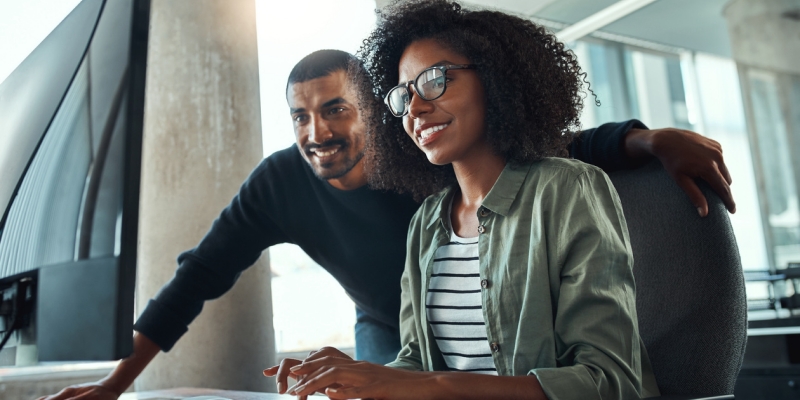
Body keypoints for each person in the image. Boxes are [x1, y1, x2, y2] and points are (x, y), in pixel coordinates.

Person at [42, 46, 731, 400]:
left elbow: (558, 148)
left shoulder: (428, 145)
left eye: (336, 110)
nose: (318, 132)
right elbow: (196, 278)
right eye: (301, 116)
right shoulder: (280, 182)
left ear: (374, 109)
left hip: (504, 329)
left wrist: (647, 140)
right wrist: (117, 382)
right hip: (389, 324)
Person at [264, 1, 667, 399]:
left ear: (494, 78)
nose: (416, 108)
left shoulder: (567, 189)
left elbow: (610, 382)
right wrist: (355, 375)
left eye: (435, 80)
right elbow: (417, 365)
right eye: (403, 95)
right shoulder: (426, 222)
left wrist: (433, 385)